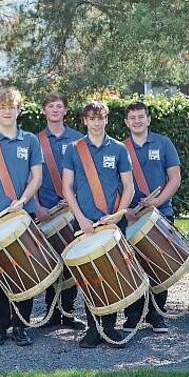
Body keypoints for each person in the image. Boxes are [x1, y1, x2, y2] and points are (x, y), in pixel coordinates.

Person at [0, 87, 42, 347]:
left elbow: (37, 177)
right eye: (2, 107)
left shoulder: (31, 141)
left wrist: (22, 201)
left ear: (19, 109)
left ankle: (21, 326)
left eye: (11, 106)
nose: (7, 111)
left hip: (23, 215)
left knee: (24, 272)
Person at [62, 100, 135, 348]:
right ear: (85, 121)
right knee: (89, 275)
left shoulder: (118, 149)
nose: (96, 123)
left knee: (112, 273)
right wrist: (80, 218)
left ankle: (110, 328)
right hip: (85, 223)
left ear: (106, 120)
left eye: (100, 118)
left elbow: (129, 187)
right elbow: (67, 188)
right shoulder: (74, 149)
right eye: (91, 119)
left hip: (112, 222)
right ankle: (93, 329)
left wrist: (118, 215)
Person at [121, 101, 181, 334]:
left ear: (148, 119)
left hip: (160, 213)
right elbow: (115, 185)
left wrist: (158, 201)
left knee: (159, 264)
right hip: (131, 215)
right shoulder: (120, 147)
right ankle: (133, 316)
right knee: (131, 266)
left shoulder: (164, 143)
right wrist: (126, 210)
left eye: (141, 117)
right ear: (126, 122)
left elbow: (174, 178)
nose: (137, 121)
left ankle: (157, 314)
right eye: (132, 118)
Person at [35, 92, 85, 331]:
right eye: (50, 106)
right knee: (50, 261)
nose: (55, 110)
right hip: (45, 211)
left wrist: (75, 202)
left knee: (71, 260)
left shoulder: (78, 140)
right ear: (44, 110)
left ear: (65, 111)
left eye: (59, 106)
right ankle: (51, 312)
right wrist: (37, 207)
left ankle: (68, 312)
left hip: (71, 210)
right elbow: (29, 178)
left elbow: (85, 177)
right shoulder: (34, 141)